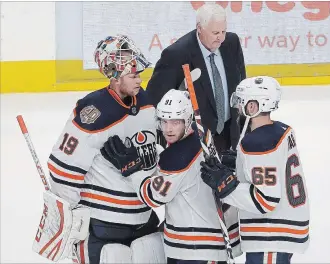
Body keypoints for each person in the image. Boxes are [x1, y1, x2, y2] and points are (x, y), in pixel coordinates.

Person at [32, 35, 166, 264]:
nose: (139, 79)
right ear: (114, 75)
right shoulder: (92, 112)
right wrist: (71, 215)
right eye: (132, 74)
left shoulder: (147, 103)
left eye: (139, 74)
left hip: (144, 218)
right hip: (104, 224)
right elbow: (63, 168)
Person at [104, 89, 242, 264]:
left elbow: (153, 197)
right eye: (164, 121)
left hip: (195, 247)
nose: (168, 129)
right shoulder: (201, 132)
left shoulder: (177, 157)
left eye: (175, 122)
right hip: (205, 240)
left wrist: (132, 169)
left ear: (187, 120)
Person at [200, 76, 310, 264]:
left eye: (240, 103)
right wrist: (241, 165)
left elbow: (265, 200)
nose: (237, 108)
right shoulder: (280, 130)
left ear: (252, 107)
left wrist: (226, 185)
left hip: (271, 235)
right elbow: (273, 169)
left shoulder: (258, 143)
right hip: (280, 232)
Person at [146, 3, 246, 153]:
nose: (221, 38)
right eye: (215, 33)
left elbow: (241, 83)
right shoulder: (176, 54)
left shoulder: (232, 43)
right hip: (195, 141)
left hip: (230, 134)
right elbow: (155, 99)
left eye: (223, 31)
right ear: (199, 28)